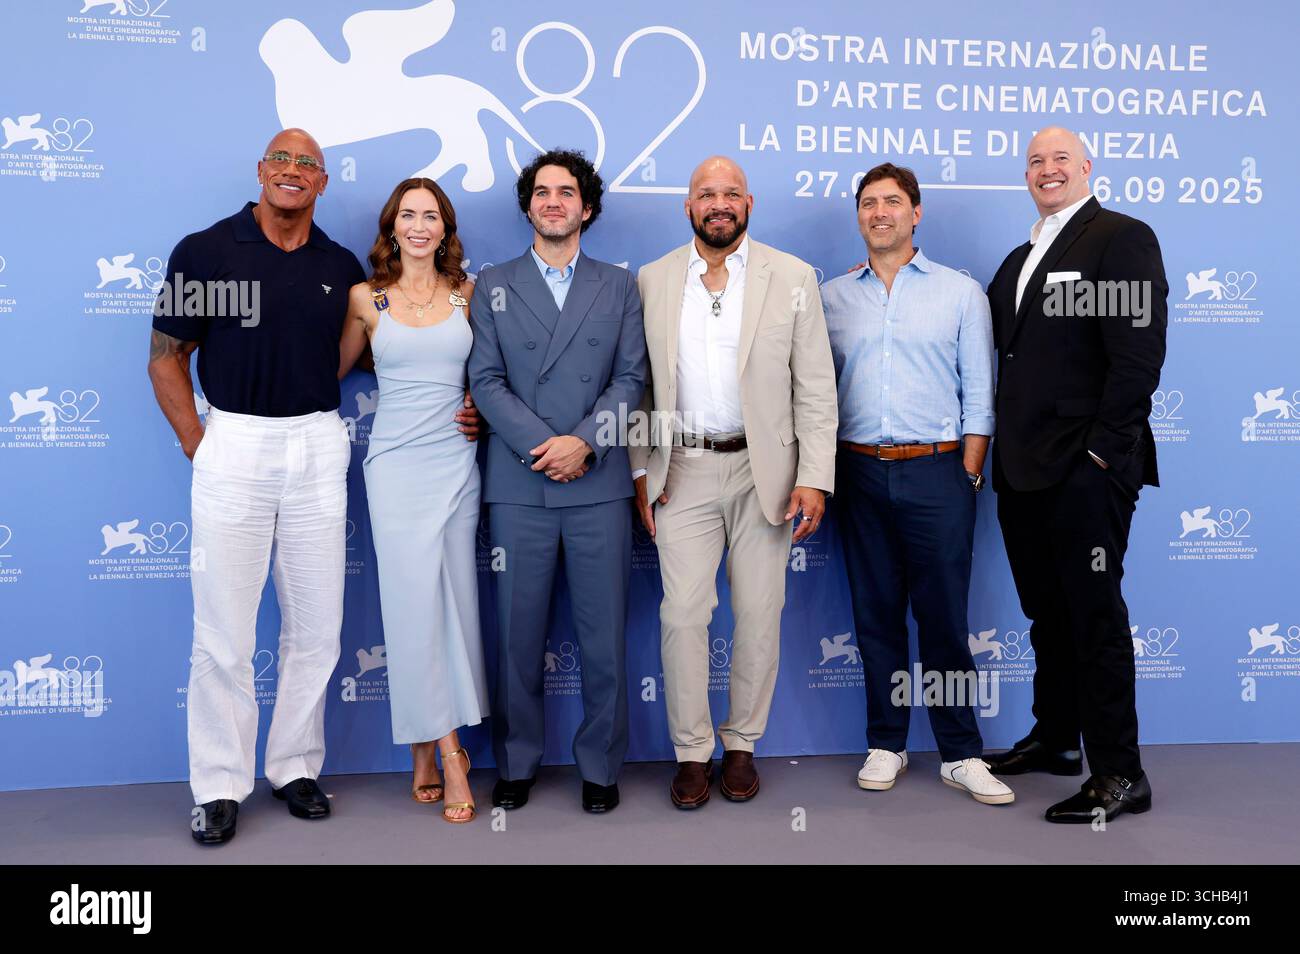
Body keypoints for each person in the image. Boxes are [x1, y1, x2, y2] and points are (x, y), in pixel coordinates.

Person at [149, 129, 363, 845]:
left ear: (323, 182)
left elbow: (344, 352)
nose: (294, 172)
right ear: (262, 172)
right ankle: (218, 785)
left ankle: (296, 766)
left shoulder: (339, 263)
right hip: (231, 441)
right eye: (283, 160)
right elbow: (165, 357)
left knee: (317, 627)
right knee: (222, 633)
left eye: (308, 164)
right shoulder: (205, 251)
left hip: (315, 443)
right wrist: (198, 442)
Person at [631, 156, 837, 809]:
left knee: (758, 612)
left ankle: (742, 743)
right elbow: (638, 386)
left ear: (749, 203)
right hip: (682, 469)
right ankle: (692, 754)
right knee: (683, 614)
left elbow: (815, 389)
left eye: (729, 193)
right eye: (705, 194)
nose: (718, 203)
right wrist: (641, 468)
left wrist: (815, 478)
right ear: (687, 206)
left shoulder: (794, 276)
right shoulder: (653, 280)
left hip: (765, 473)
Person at [983, 126, 1167, 823]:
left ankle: (1122, 773)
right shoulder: (1018, 258)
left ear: (1087, 167)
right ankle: (1058, 738)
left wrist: (1101, 455)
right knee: (1047, 615)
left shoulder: (1119, 236)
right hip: (1022, 469)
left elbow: (1139, 354)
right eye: (1036, 160)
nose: (1047, 168)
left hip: (1086, 469)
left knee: (1093, 618)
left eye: (1060, 158)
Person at [821, 163, 1013, 806]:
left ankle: (961, 753)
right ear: (859, 215)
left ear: (916, 213)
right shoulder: (831, 296)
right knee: (874, 615)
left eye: (893, 202)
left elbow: (980, 393)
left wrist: (967, 472)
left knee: (943, 620)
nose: (881, 213)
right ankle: (887, 743)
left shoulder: (960, 292)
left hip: (940, 471)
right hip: (859, 472)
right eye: (869, 203)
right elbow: (815, 394)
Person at [468, 148, 647, 814]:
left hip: (596, 485)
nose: (552, 201)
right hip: (521, 484)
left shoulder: (618, 286)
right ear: (527, 206)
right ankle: (515, 761)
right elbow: (484, 380)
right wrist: (547, 445)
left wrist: (586, 443)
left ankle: (601, 767)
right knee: (517, 635)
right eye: (541, 192)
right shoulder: (493, 285)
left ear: (586, 207)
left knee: (603, 637)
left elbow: (632, 378)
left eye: (565, 192)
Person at [339, 177, 488, 823]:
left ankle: (423, 749)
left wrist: (480, 406)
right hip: (394, 469)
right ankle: (452, 753)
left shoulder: (468, 294)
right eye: (409, 215)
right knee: (411, 611)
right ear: (391, 226)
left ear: (445, 228)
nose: (420, 225)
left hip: (457, 463)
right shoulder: (365, 299)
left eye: (432, 215)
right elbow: (326, 374)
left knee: (453, 604)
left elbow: (490, 373)